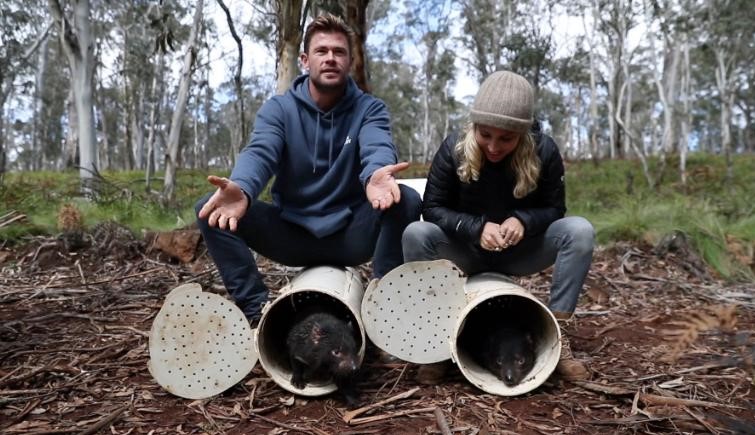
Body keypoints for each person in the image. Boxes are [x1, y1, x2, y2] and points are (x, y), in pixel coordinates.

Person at [196, 14, 421, 326]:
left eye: (339, 52)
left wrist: (375, 175)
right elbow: (261, 151)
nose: (330, 58)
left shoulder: (370, 109)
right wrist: (243, 187)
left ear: (350, 60)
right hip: (292, 234)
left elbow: (376, 146)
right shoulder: (279, 109)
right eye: (321, 51)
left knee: (406, 199)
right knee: (211, 210)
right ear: (305, 60)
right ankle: (259, 315)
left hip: (349, 234)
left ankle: (384, 310)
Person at [402, 70, 594, 382]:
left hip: (519, 252)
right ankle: (436, 340)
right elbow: (432, 208)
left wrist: (524, 220)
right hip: (465, 250)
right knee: (416, 233)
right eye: (485, 134)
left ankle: (558, 337)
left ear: (524, 133)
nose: (493, 147)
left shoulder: (544, 151)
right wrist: (475, 227)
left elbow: (555, 209)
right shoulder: (453, 148)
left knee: (580, 231)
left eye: (506, 138)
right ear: (473, 126)